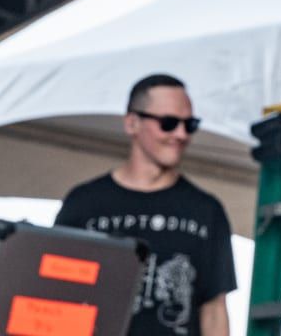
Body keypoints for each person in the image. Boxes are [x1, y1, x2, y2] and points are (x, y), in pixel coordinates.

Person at [56, 73, 237, 336]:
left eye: (190, 124)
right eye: (169, 123)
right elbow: (56, 295)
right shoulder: (84, 204)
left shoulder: (206, 211)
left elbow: (214, 311)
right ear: (132, 123)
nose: (181, 134)